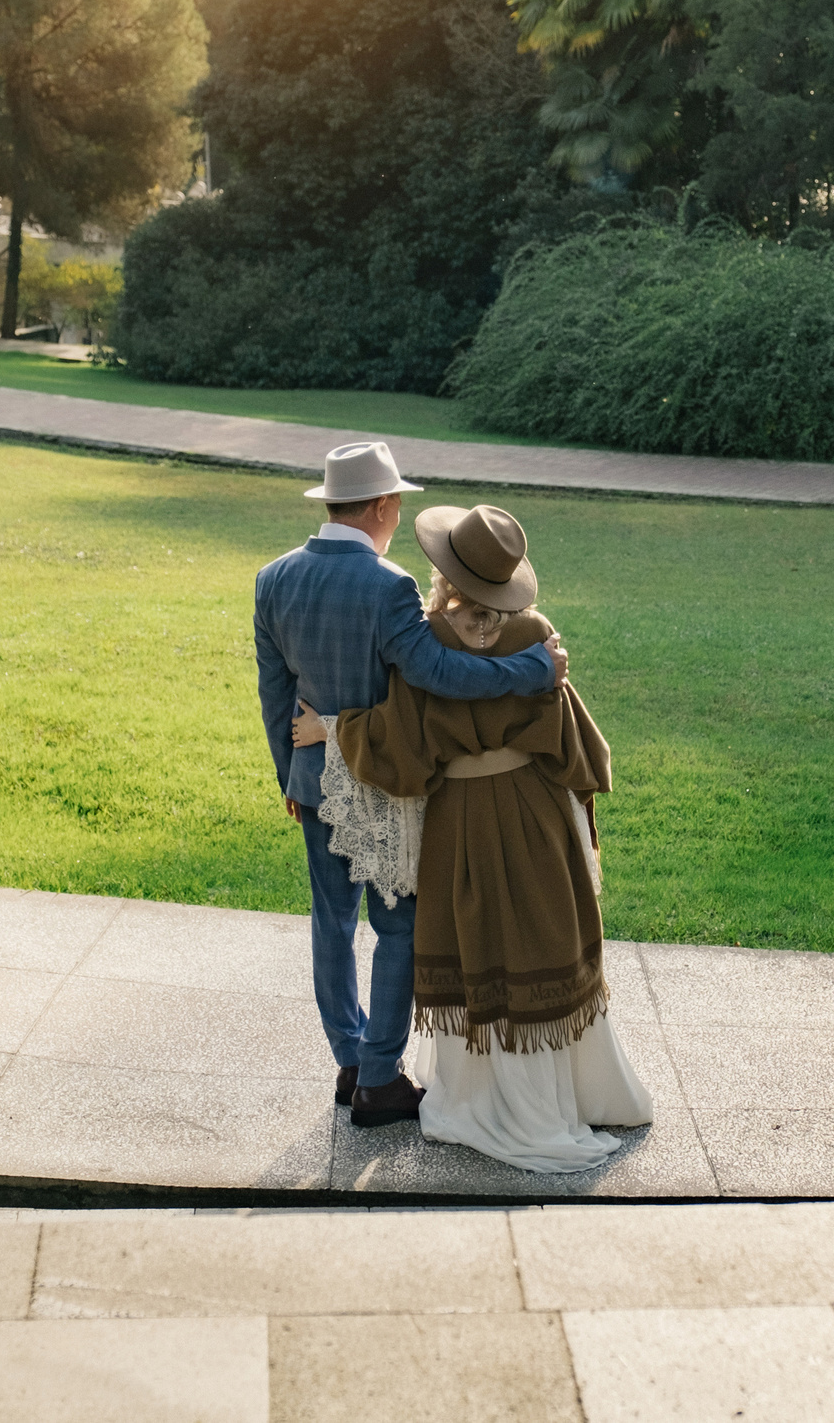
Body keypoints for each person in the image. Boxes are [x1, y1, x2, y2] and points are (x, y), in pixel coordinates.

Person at [291, 503, 652, 1173]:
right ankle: (565, 1093)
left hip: (462, 820)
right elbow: (577, 746)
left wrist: (333, 728)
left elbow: (398, 747)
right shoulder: (537, 638)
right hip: (535, 815)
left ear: (445, 570)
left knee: (476, 936)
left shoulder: (431, 642)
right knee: (539, 932)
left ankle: (475, 1097)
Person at [254, 443, 567, 1129]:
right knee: (397, 928)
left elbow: (274, 693)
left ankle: (347, 1056)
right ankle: (378, 1074)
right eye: (396, 504)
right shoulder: (390, 585)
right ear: (383, 506)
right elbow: (441, 676)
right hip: (383, 781)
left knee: (330, 922)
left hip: (313, 782)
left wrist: (289, 773)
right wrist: (533, 673)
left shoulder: (272, 579)